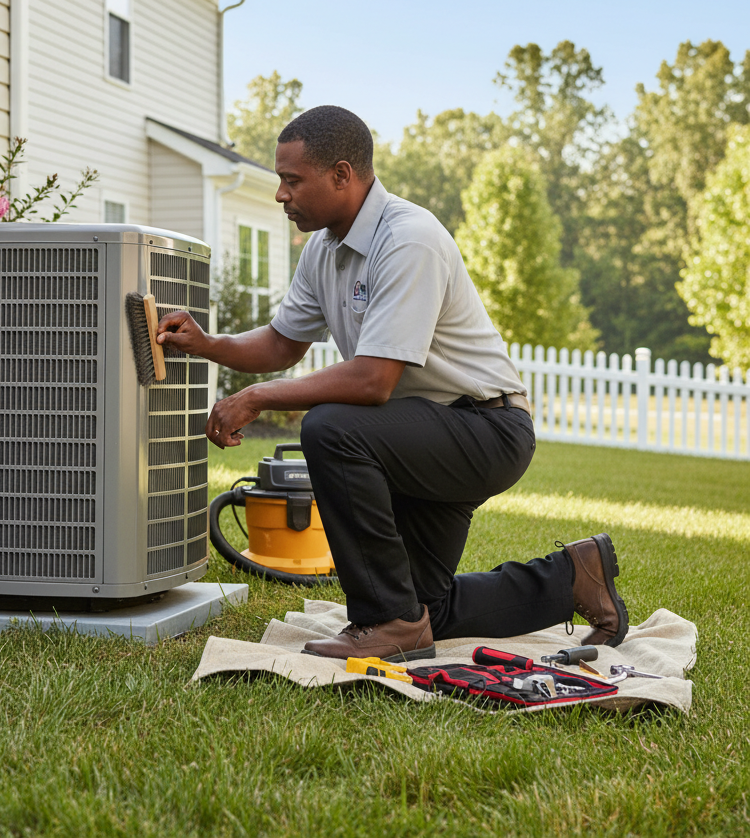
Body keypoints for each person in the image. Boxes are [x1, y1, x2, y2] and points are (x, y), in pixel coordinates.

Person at [156, 105, 628, 663]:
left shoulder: (408, 239)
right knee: (426, 608)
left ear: (341, 175)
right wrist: (208, 343)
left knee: (332, 427)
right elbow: (282, 343)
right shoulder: (323, 249)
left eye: (291, 180)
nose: (281, 195)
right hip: (419, 433)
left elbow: (373, 380)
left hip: (485, 428)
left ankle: (385, 622)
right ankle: (574, 577)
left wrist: (256, 397)